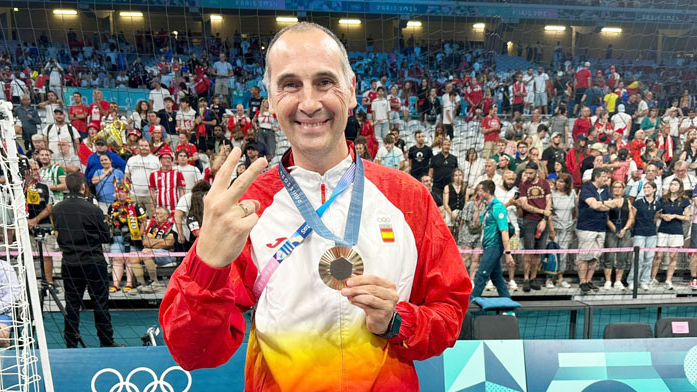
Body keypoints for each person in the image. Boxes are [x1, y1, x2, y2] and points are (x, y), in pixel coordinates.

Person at [159, 22, 470, 390]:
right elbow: (191, 352)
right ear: (271, 99)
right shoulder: (247, 208)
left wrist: (397, 322)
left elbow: (448, 316)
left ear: (351, 91)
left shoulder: (407, 197)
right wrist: (207, 264)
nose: (309, 103)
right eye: (291, 84)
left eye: (325, 82)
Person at [51, 172, 120, 348]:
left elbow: (59, 232)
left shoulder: (58, 208)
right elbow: (106, 237)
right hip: (92, 261)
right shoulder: (93, 209)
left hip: (71, 261)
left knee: (72, 304)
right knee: (100, 303)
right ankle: (106, 341)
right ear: (83, 186)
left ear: (67, 186)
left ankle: (70, 342)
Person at [471, 180, 515, 299]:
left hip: (494, 246)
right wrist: (477, 205)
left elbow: (504, 230)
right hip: (487, 246)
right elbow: (475, 224)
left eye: (480, 190)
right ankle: (509, 308)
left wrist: (508, 253)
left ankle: (470, 305)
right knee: (497, 279)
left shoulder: (498, 207)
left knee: (481, 276)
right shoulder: (487, 208)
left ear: (487, 192)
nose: (478, 192)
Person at [576, 168, 614, 293]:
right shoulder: (586, 188)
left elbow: (613, 204)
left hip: (601, 227)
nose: (606, 178)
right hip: (587, 228)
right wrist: (603, 204)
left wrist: (601, 204)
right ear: (596, 177)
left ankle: (588, 280)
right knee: (584, 256)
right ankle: (582, 282)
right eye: (604, 176)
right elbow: (594, 205)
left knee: (595, 257)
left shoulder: (606, 189)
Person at [106, 180, 147, 294]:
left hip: (133, 237)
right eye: (117, 192)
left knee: (130, 259)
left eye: (122, 192)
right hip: (117, 237)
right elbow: (109, 220)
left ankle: (129, 283)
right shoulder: (112, 207)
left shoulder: (135, 205)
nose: (120, 194)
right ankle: (115, 284)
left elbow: (143, 221)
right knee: (117, 259)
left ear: (127, 193)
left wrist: (140, 234)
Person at [651, 178, 691, 290]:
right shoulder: (663, 199)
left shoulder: (685, 201)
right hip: (663, 230)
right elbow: (656, 214)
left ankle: (668, 280)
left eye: (675, 184)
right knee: (658, 255)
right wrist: (663, 216)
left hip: (676, 231)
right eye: (671, 184)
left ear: (680, 187)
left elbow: (687, 217)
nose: (673, 186)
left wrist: (674, 216)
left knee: (673, 256)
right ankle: (652, 278)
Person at [517, 162, 551, 291]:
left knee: (538, 252)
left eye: (530, 173)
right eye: (526, 173)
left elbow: (549, 201)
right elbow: (524, 205)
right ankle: (525, 278)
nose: (528, 175)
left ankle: (533, 277)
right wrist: (542, 212)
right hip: (529, 221)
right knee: (528, 251)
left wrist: (544, 219)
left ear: (537, 172)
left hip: (542, 221)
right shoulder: (523, 185)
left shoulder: (545, 183)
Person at [135, 206, 178, 294]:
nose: (155, 216)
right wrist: (160, 242)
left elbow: (168, 243)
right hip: (153, 252)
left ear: (166, 216)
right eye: (155, 214)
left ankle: (154, 282)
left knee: (146, 252)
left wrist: (152, 243)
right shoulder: (153, 228)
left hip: (169, 255)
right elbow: (145, 242)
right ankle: (142, 283)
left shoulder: (172, 227)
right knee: (133, 256)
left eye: (158, 214)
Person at [628, 181, 661, 291]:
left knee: (649, 258)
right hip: (639, 234)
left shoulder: (658, 204)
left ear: (654, 189)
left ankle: (644, 281)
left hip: (651, 234)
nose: (646, 189)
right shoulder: (638, 203)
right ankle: (632, 281)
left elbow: (656, 217)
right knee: (638, 258)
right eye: (645, 187)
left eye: (648, 187)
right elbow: (632, 218)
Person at [602, 181, 634, 291]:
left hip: (625, 231)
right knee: (609, 257)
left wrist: (624, 229)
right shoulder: (608, 201)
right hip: (611, 231)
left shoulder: (627, 201)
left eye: (619, 187)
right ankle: (608, 281)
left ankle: (618, 281)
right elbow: (606, 218)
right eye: (615, 187)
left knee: (622, 257)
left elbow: (631, 217)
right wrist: (615, 229)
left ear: (623, 189)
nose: (617, 189)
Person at [549, 173, 575, 288]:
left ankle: (560, 278)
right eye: (558, 181)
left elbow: (574, 210)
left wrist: (571, 222)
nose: (559, 183)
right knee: (551, 254)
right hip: (554, 228)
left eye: (562, 181)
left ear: (567, 184)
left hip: (567, 228)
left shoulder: (573, 193)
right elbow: (549, 211)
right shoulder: (551, 194)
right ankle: (549, 278)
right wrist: (551, 229)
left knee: (563, 255)